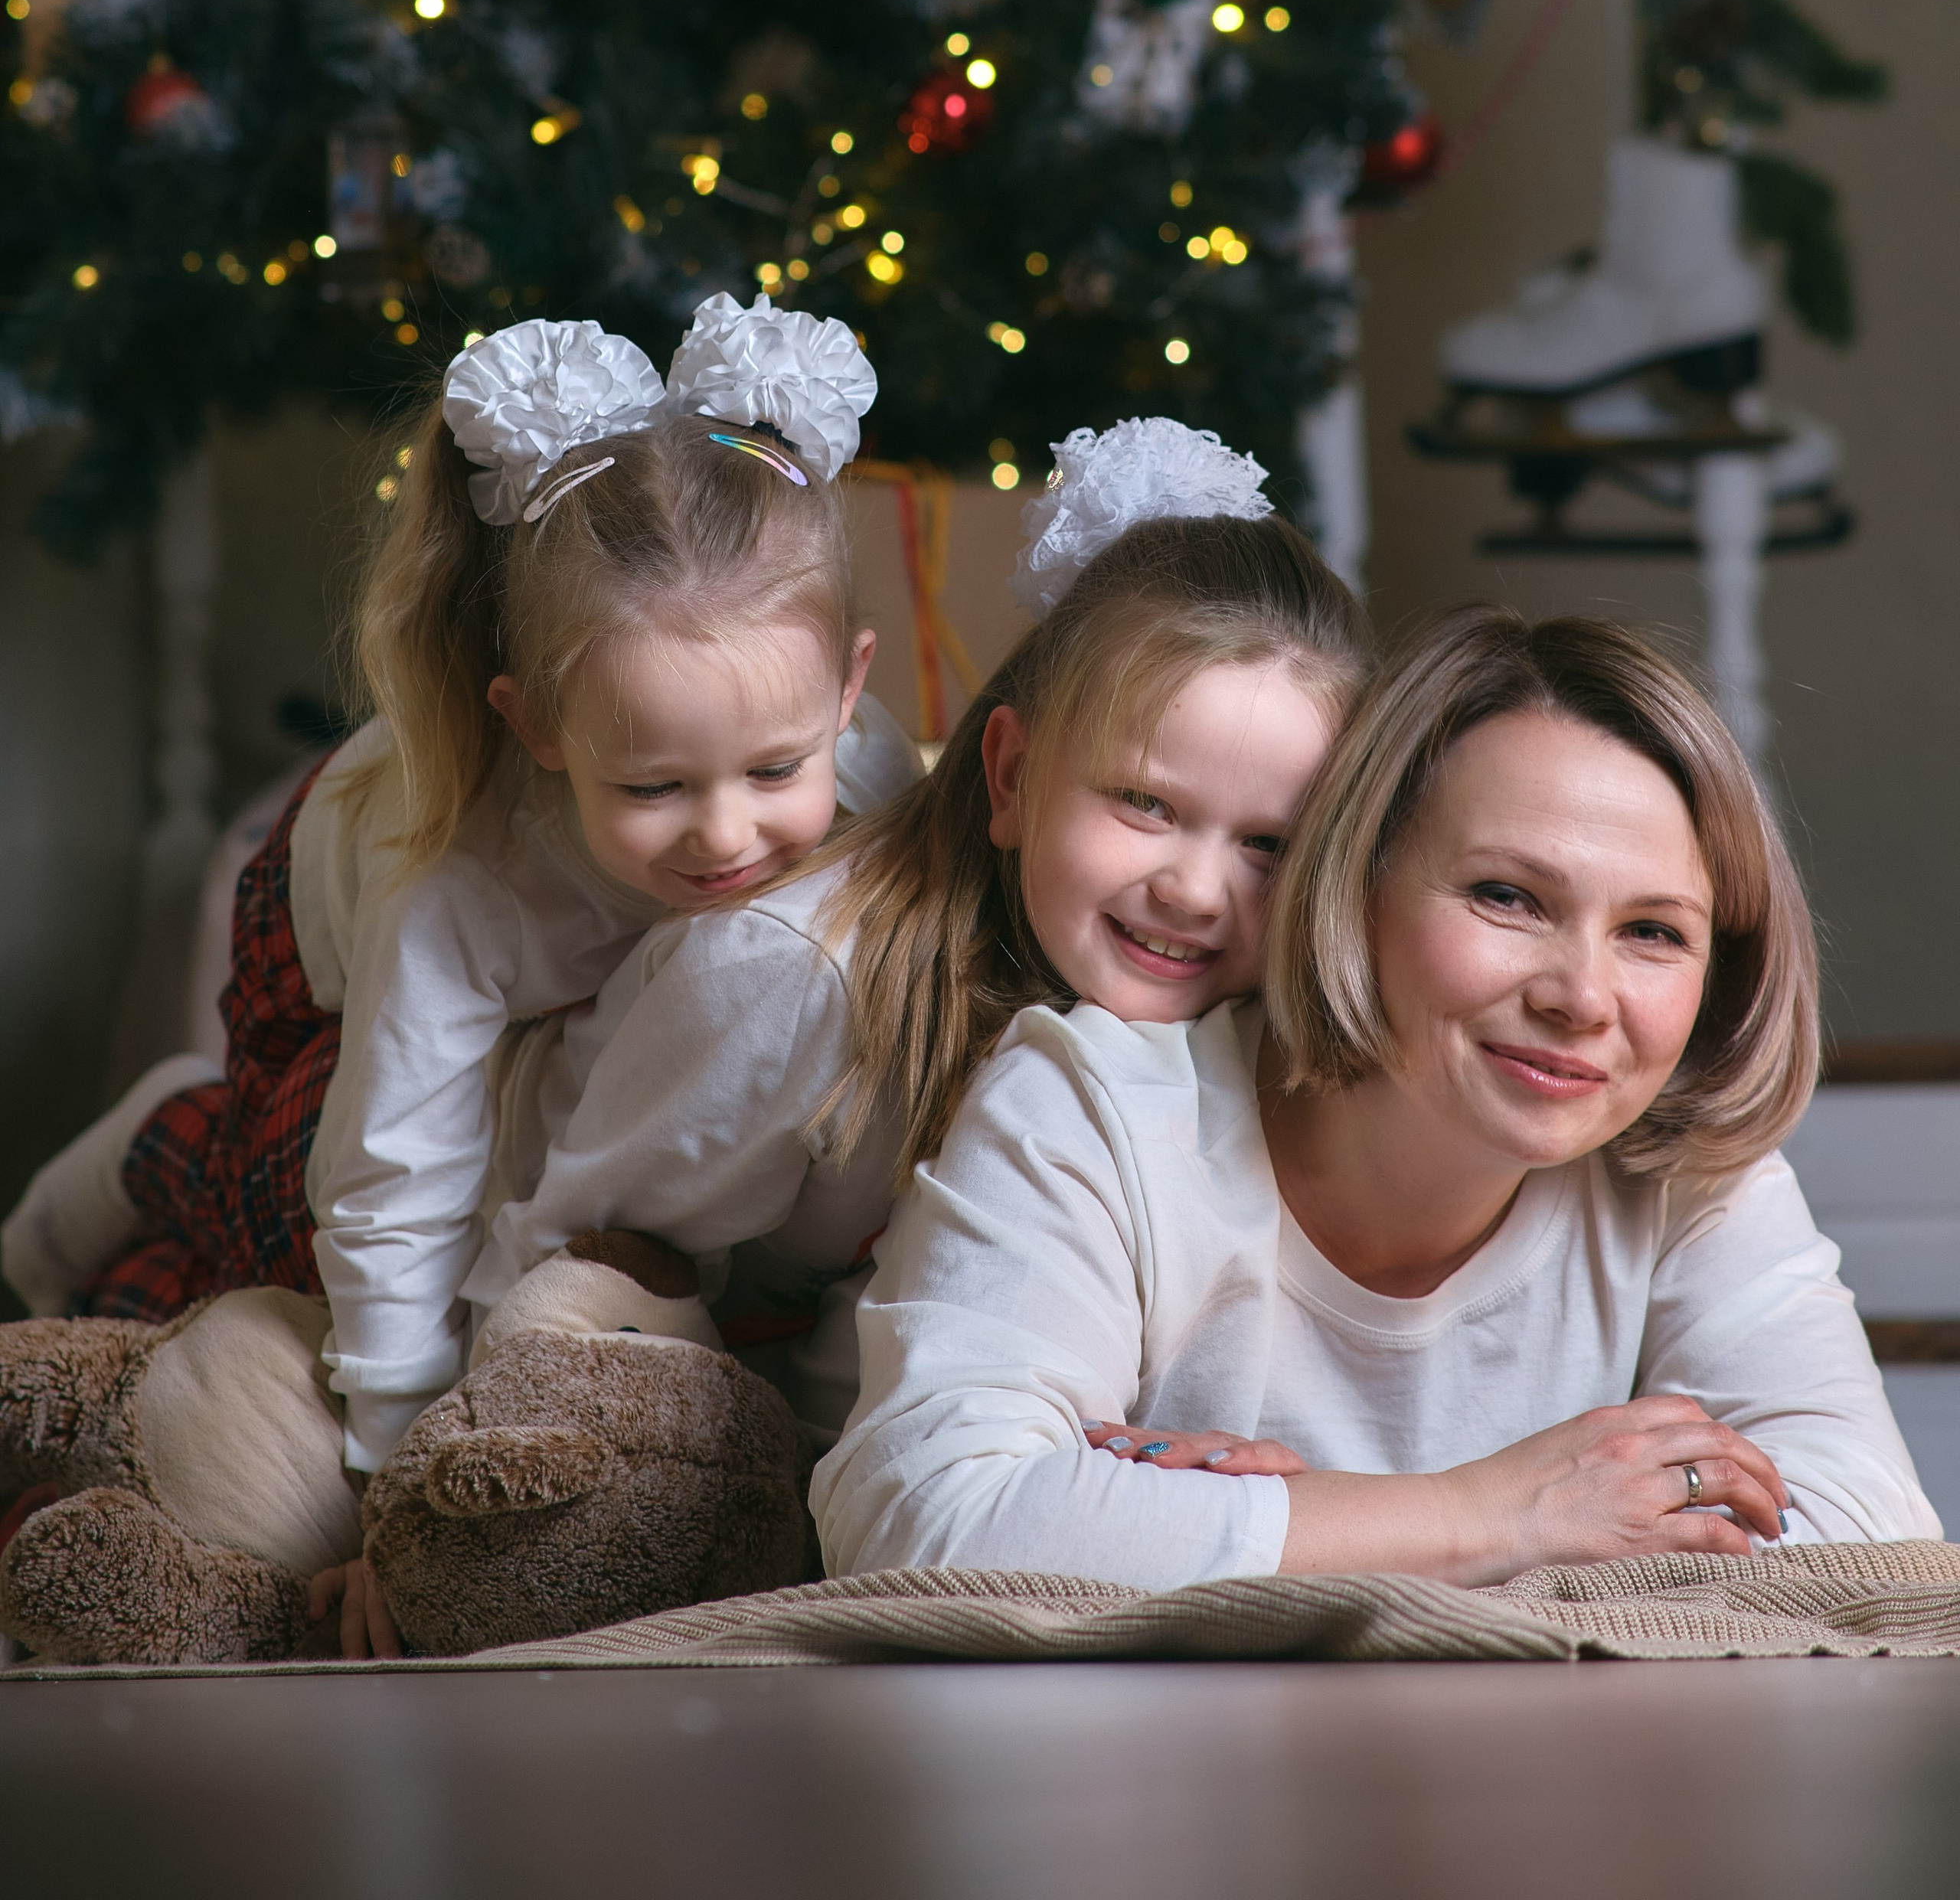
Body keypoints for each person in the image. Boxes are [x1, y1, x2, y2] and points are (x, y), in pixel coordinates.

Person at [815, 609, 1940, 1586]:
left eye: (1654, 931)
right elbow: (927, 1511)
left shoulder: (1689, 1172)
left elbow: (1870, 1531)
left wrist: (1277, 1532)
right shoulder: (1093, 1106)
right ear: (1353, 887)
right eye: (1508, 896)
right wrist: (1487, 1515)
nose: (1584, 997)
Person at [2, 295, 913, 1483]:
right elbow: (392, 1180)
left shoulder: (870, 773)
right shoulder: (463, 875)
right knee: (287, 1225)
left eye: (777, 769)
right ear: (533, 726)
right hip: (320, 955)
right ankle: (152, 1140)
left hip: (561, 974)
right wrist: (395, 1465)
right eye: (653, 786)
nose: (727, 834)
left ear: (848, 693)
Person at [466, 419, 1374, 1438]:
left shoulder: (1254, 1014)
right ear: (1013, 776)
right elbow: (566, 1265)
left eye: (1269, 846)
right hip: (551, 1256)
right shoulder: (795, 977)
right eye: (1147, 805)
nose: (1198, 891)